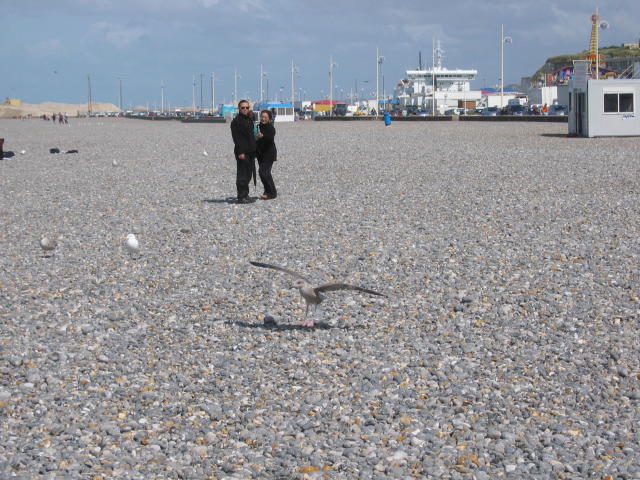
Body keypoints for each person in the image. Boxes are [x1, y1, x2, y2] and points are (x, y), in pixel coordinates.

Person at [230, 100, 256, 204]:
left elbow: (251, 135)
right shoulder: (236, 122)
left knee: (249, 174)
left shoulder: (249, 119)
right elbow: (236, 138)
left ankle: (246, 194)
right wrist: (240, 152)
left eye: (247, 107)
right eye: (243, 108)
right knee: (242, 175)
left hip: (251, 151)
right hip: (242, 151)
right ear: (239, 108)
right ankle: (241, 196)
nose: (245, 109)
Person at [256, 109, 277, 200]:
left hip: (269, 153)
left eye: (265, 117)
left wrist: (262, 136)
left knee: (263, 172)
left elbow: (270, 138)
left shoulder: (271, 128)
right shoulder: (257, 127)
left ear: (269, 118)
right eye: (262, 117)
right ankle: (267, 191)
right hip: (260, 153)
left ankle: (272, 192)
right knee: (262, 173)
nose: (263, 119)